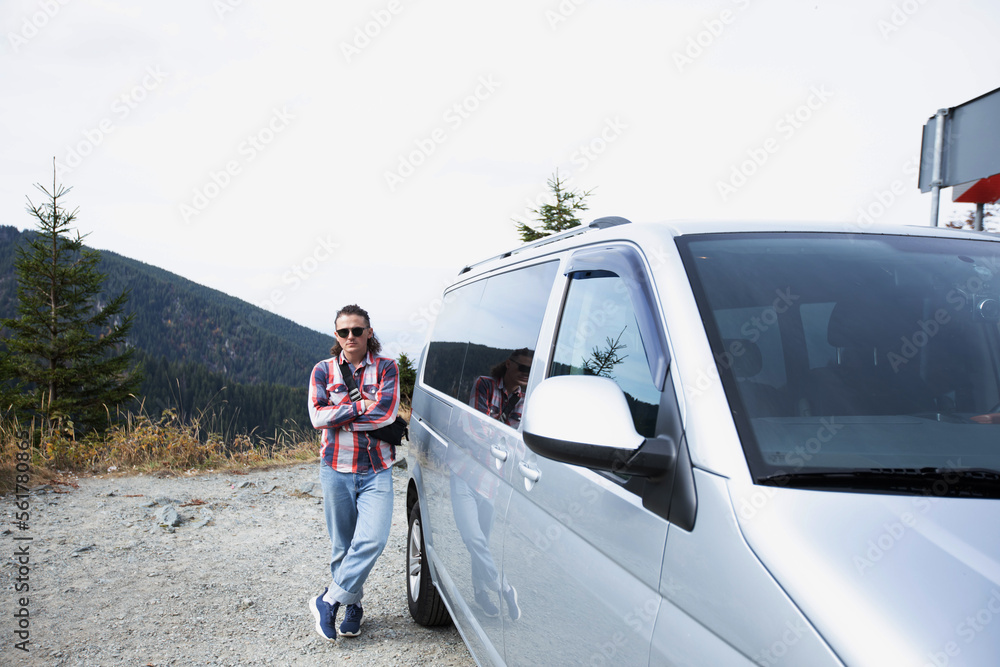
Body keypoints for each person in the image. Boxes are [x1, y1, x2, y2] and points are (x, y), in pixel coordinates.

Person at [307, 304, 400, 641]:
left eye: (357, 330)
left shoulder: (388, 368)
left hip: (376, 469)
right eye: (343, 331)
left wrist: (341, 414)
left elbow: (386, 416)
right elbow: (317, 417)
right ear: (336, 335)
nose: (350, 337)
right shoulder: (322, 370)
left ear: (369, 333)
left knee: (372, 539)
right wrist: (361, 405)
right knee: (342, 545)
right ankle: (353, 607)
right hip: (335, 468)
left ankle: (329, 600)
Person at [449, 348, 533, 619]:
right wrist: (503, 440)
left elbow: (518, 447)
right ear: (508, 364)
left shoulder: (523, 400)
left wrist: (501, 441)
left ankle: (480, 593)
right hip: (464, 472)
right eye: (522, 368)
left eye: (530, 371)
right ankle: (504, 588)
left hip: (491, 481)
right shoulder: (484, 385)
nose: (525, 375)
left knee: (482, 542)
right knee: (472, 537)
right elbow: (473, 428)